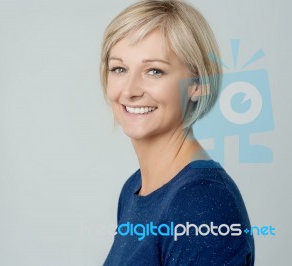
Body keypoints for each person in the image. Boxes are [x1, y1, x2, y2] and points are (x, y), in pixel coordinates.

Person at [100, 0, 255, 265]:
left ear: (197, 84)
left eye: (154, 71)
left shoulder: (202, 202)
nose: (129, 90)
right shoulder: (134, 189)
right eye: (119, 69)